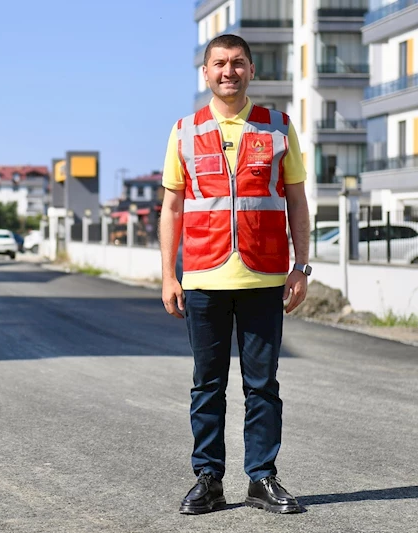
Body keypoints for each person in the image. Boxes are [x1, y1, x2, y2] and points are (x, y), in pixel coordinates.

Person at [159, 34, 311, 515]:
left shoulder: (278, 126)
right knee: (207, 385)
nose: (229, 71)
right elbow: (172, 208)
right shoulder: (184, 131)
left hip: (264, 278)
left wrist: (301, 266)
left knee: (262, 386)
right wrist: (168, 275)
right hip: (204, 277)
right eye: (220, 63)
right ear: (205, 72)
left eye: (238, 63)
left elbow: (297, 200)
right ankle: (208, 479)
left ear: (251, 70)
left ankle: (261, 479)